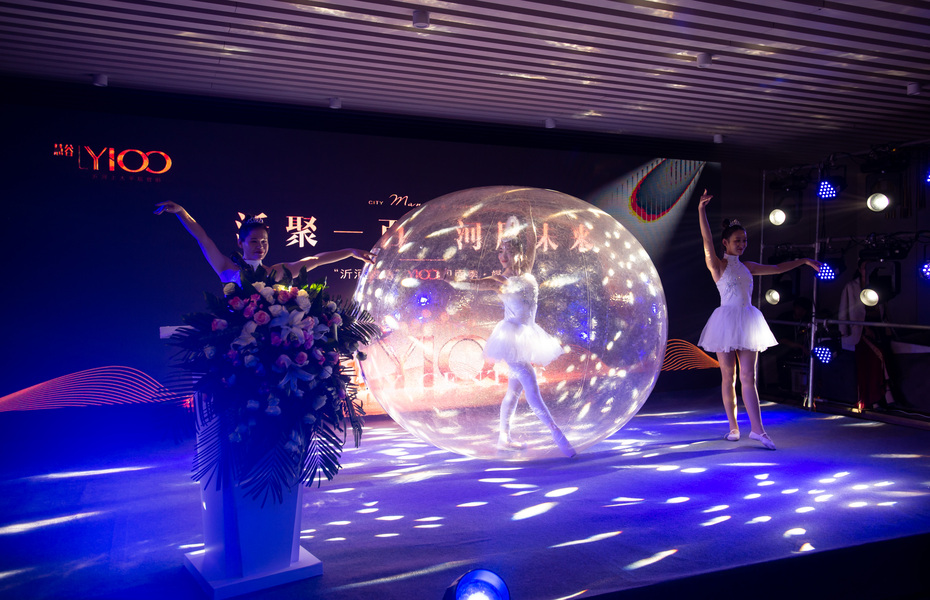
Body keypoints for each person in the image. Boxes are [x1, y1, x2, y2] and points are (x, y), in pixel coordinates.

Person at [697, 190, 821, 450]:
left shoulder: (749, 266)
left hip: (748, 320)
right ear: (725, 243)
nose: (742, 244)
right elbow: (707, 240)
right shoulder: (717, 265)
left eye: (744, 240)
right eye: (737, 241)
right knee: (728, 376)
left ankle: (758, 430)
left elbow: (777, 268)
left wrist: (804, 260)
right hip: (725, 322)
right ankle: (733, 427)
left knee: (748, 377)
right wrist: (701, 210)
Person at [450, 216, 574, 457]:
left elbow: (532, 240)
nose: (503, 255)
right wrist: (451, 280)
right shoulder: (500, 280)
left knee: (513, 392)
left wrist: (529, 214)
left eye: (508, 250)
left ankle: (503, 439)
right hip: (510, 339)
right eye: (500, 251)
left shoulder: (526, 271)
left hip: (528, 334)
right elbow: (472, 284)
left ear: (518, 252)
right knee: (532, 391)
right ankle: (559, 437)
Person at [154, 201, 374, 285]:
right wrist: (182, 212)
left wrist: (350, 251)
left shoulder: (276, 272)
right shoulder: (226, 268)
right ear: (240, 243)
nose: (260, 246)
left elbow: (315, 260)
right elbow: (203, 239)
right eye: (253, 241)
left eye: (264, 241)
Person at [839, 260, 897, 410]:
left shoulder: (878, 284)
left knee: (880, 361)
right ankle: (877, 396)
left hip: (877, 328)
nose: (867, 270)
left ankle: (882, 395)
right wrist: (843, 331)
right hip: (859, 331)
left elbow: (884, 308)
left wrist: (888, 326)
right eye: (864, 267)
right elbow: (844, 309)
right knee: (872, 361)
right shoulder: (851, 286)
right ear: (859, 269)